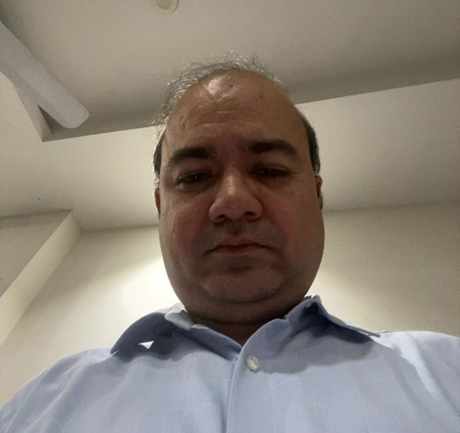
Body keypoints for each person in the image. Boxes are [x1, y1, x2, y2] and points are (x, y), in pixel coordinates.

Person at [1, 57, 459, 432]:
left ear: (316, 196)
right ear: (161, 207)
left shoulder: (446, 371)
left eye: (271, 171)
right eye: (195, 177)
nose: (234, 201)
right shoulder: (42, 404)